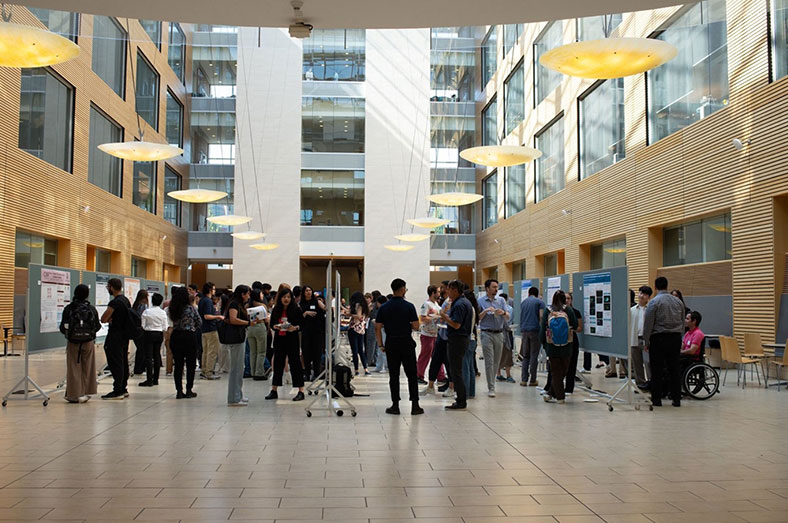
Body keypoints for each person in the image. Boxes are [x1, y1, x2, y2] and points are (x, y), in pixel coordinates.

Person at [375, 278, 423, 415]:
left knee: (394, 375)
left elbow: (377, 328)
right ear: (402, 289)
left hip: (391, 343)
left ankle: (395, 405)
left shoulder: (384, 307)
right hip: (406, 343)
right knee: (411, 374)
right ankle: (415, 405)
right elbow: (415, 326)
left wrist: (380, 345)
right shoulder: (409, 306)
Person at [643, 277, 685, 407]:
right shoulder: (678, 302)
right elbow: (682, 321)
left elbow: (648, 323)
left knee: (657, 370)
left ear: (655, 287)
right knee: (674, 369)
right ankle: (676, 399)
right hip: (675, 338)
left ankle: (656, 399)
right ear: (667, 286)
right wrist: (680, 337)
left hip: (658, 339)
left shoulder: (654, 302)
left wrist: (646, 340)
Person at [59, 284, 101, 403]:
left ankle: (74, 394)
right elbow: (97, 326)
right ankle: (87, 391)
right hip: (88, 342)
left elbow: (63, 327)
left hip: (73, 341)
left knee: (73, 366)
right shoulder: (91, 309)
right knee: (88, 366)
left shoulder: (69, 308)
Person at [266, 288, 306, 401]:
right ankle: (274, 390)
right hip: (279, 339)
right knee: (278, 364)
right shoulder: (276, 309)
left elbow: (302, 324)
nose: (286, 299)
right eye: (284, 297)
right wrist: (275, 326)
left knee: (295, 364)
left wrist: (295, 328)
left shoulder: (296, 309)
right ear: (280, 298)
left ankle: (301, 391)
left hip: (292, 339)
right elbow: (272, 323)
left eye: (288, 297)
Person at [224, 285, 261, 406]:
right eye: (247, 294)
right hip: (235, 338)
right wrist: (248, 323)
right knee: (236, 368)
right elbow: (233, 319)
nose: (249, 296)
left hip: (240, 337)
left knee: (239, 368)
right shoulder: (234, 304)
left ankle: (238, 394)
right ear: (242, 294)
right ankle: (233, 398)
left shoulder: (239, 305)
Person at [439, 280, 473, 410]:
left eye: (449, 289)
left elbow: (456, 324)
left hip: (457, 340)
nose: (447, 292)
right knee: (456, 370)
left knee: (456, 371)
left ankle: (461, 400)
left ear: (455, 290)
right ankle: (460, 398)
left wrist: (444, 316)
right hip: (461, 339)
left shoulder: (459, 304)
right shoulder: (463, 302)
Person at [540, 290, 577, 404]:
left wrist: (544, 344)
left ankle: (553, 394)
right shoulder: (568, 310)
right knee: (563, 371)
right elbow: (575, 325)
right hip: (567, 345)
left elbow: (543, 329)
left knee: (555, 371)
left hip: (551, 345)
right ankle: (559, 396)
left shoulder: (548, 310)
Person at [478, 279, 510, 397]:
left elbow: (507, 316)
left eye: (497, 287)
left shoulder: (501, 300)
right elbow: (478, 318)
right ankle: (491, 387)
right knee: (489, 361)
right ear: (487, 288)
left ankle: (493, 383)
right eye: (493, 287)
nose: (496, 289)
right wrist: (486, 311)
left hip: (499, 333)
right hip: (486, 333)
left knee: (497, 361)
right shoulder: (480, 301)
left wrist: (502, 313)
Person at [100, 278, 132, 400]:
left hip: (115, 335)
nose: (108, 289)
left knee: (115, 362)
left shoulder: (115, 303)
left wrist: (109, 319)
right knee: (123, 361)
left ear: (112, 287)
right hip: (124, 336)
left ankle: (117, 390)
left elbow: (103, 318)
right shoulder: (125, 300)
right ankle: (123, 388)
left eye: (108, 287)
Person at [168, 286, 201, 399]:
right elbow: (199, 322)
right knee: (190, 364)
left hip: (176, 336)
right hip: (189, 336)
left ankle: (179, 391)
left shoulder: (172, 308)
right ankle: (189, 389)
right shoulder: (190, 308)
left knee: (178, 364)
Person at [139, 293, 167, 387]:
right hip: (159, 334)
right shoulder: (163, 312)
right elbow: (165, 327)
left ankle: (149, 379)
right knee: (157, 355)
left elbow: (142, 325)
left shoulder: (147, 312)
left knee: (148, 357)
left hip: (149, 334)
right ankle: (156, 379)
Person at [519, 286, 545, 387]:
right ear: (537, 294)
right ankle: (533, 380)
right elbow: (541, 316)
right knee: (534, 355)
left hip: (524, 331)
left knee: (525, 356)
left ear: (529, 293)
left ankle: (524, 380)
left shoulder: (523, 302)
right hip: (535, 330)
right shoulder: (539, 302)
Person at [417, 285, 442, 384]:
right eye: (438, 292)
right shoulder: (426, 304)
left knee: (438, 356)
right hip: (427, 334)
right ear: (433, 293)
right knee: (425, 356)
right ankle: (419, 375)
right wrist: (434, 317)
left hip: (436, 333)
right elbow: (423, 318)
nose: (439, 294)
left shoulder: (436, 304)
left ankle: (441, 376)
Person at [629, 285, 653, 389]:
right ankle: (640, 384)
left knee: (648, 363)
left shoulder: (651, 310)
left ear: (648, 297)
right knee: (637, 363)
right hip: (635, 338)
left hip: (646, 340)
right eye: (640, 293)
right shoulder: (632, 310)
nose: (641, 295)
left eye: (644, 294)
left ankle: (651, 383)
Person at [300, 285, 326, 381]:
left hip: (317, 331)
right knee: (306, 353)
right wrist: (306, 313)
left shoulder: (317, 302)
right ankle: (306, 374)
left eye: (310, 290)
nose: (308, 292)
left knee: (317, 353)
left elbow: (325, 308)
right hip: (306, 332)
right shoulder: (300, 304)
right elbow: (298, 317)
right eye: (306, 290)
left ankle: (316, 373)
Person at [198, 282, 223, 380]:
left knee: (206, 351)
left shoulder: (201, 300)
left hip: (204, 329)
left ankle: (204, 370)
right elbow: (207, 316)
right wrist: (218, 316)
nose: (214, 291)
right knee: (212, 351)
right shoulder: (208, 301)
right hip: (211, 328)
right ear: (209, 290)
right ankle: (209, 372)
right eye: (213, 289)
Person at [247, 288, 269, 380]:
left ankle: (253, 372)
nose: (262, 295)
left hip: (250, 328)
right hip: (260, 327)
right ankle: (259, 373)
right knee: (261, 351)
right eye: (261, 294)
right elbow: (266, 319)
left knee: (253, 352)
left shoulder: (247, 305)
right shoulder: (262, 305)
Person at [461, 289, 479, 400]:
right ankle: (471, 391)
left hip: (467, 340)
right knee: (471, 366)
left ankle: (466, 392)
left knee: (465, 367)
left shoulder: (467, 309)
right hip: (473, 339)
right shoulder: (474, 309)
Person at [348, 291, 370, 375]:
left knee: (355, 350)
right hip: (361, 329)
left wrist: (349, 314)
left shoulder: (357, 305)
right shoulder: (365, 306)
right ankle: (365, 369)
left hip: (354, 328)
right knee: (361, 350)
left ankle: (356, 370)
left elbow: (358, 316)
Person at [497, 293, 515, 383]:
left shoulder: (497, 309)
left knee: (498, 354)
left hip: (500, 333)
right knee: (507, 354)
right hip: (506, 333)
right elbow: (509, 321)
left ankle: (499, 374)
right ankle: (508, 375)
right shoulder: (509, 309)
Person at [131, 289, 149, 376]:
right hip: (141, 330)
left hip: (135, 329)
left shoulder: (135, 305)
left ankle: (138, 368)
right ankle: (139, 368)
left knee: (140, 349)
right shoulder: (143, 306)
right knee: (142, 349)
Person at [373, 295, 389, 373]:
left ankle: (386, 367)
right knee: (380, 350)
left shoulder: (385, 309)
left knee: (384, 349)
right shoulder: (381, 309)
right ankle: (378, 366)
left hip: (385, 330)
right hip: (381, 330)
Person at [364, 293, 377, 368]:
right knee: (366, 343)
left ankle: (370, 360)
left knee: (371, 344)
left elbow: (371, 316)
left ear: (371, 298)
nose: (366, 299)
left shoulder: (374, 306)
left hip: (370, 325)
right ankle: (367, 358)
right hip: (364, 325)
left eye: (368, 298)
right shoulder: (364, 306)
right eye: (365, 298)